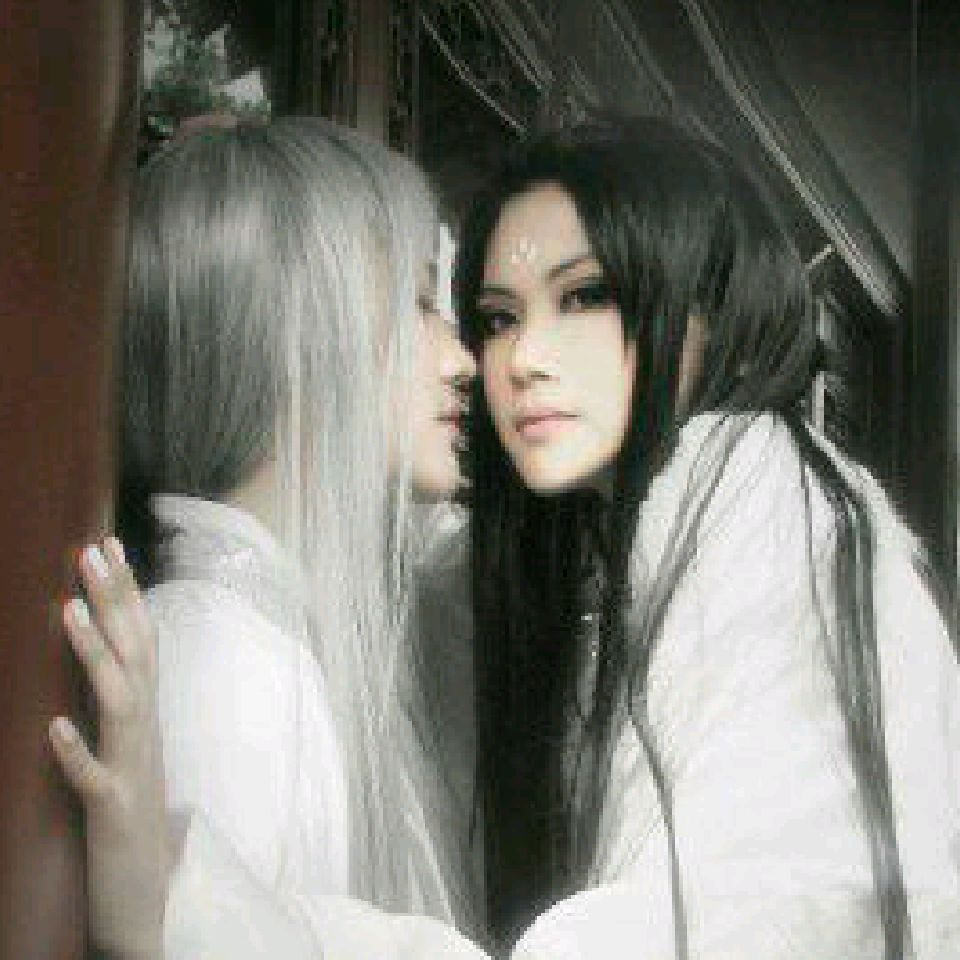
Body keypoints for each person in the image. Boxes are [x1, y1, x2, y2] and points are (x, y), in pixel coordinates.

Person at [455, 116, 960, 958]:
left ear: (714, 313)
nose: (523, 358)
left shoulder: (757, 507)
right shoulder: (636, 527)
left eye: (586, 296)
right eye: (500, 318)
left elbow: (745, 919)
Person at [50, 116, 486, 959]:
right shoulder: (225, 663)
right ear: (299, 334)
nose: (461, 359)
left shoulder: (252, 639)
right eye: (420, 302)